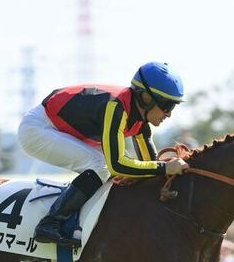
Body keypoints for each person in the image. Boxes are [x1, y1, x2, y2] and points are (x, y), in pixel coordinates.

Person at [18, 61, 187, 246]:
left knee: (114, 169)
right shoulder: (116, 108)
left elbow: (150, 164)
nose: (169, 114)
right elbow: (118, 164)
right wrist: (165, 167)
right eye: (167, 106)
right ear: (146, 98)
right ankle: (50, 223)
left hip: (62, 129)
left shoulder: (140, 119)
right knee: (102, 166)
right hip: (38, 128)